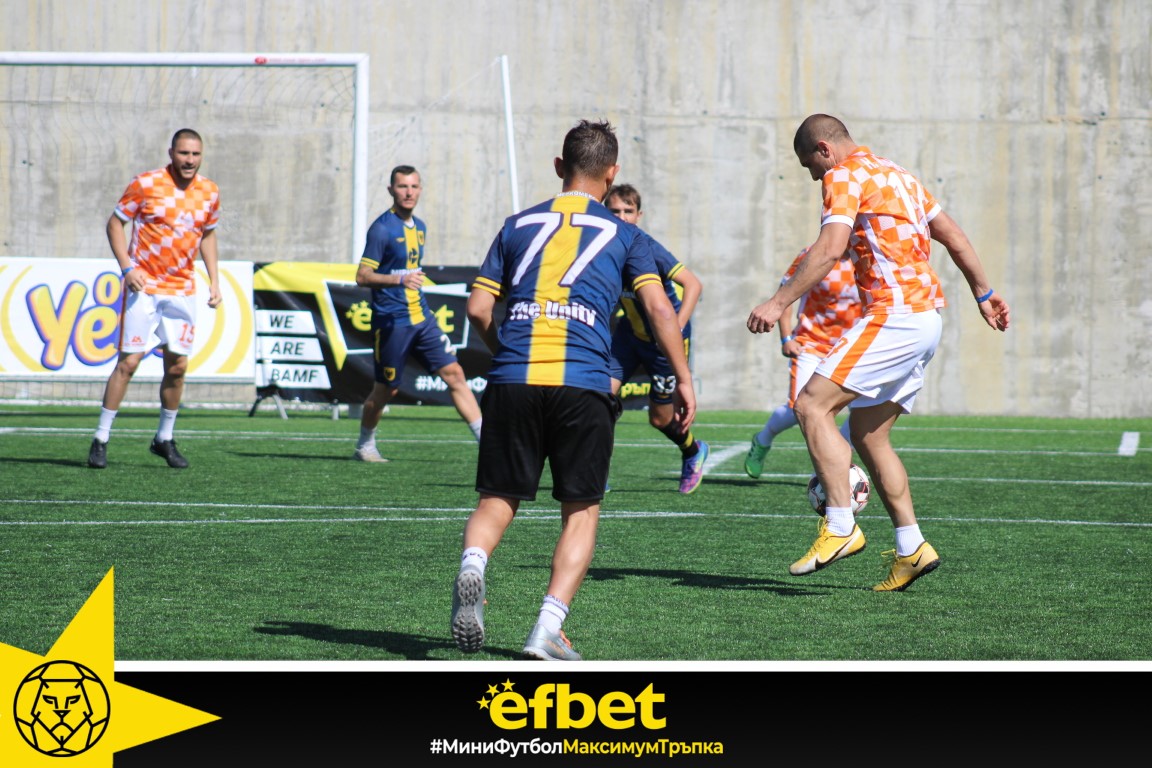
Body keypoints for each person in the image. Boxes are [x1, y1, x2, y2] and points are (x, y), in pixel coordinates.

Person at [451, 119, 697, 660]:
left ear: (559, 167)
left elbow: (478, 308)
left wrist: (508, 351)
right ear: (612, 175)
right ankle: (547, 628)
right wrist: (682, 377)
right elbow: (660, 308)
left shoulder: (516, 225)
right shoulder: (625, 234)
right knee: (581, 511)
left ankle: (473, 565)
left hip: (514, 377)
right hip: (584, 382)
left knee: (497, 499)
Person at [746, 114, 1011, 592]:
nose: (814, 178)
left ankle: (840, 524)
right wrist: (984, 292)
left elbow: (830, 249)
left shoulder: (843, 175)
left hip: (895, 315)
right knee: (869, 435)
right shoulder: (899, 175)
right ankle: (912, 548)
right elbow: (952, 235)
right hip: (927, 318)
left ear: (824, 150)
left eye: (811, 167)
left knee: (810, 406)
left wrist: (778, 302)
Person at [87, 128, 222, 470]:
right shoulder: (146, 184)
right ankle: (100, 438)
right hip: (144, 288)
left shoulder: (209, 191)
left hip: (182, 290)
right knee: (129, 363)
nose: (189, 160)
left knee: (177, 367)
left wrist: (214, 280)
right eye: (183, 153)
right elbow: (115, 224)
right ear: (171, 153)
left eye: (195, 154)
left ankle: (164, 438)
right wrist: (127, 268)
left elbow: (207, 235)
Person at [352, 165, 482, 462]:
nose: (408, 192)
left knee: (455, 374)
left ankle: (487, 443)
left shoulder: (420, 226)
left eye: (413, 186)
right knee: (387, 390)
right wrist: (399, 279)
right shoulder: (382, 229)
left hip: (421, 317)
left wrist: (407, 281)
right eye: (402, 186)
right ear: (391, 190)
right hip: (393, 321)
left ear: (420, 190)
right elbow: (362, 276)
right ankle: (365, 444)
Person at [604, 183, 708, 494]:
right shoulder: (601, 244)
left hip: (664, 344)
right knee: (598, 399)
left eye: (628, 211)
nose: (621, 217)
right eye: (614, 211)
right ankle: (594, 468)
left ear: (639, 215)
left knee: (661, 420)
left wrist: (676, 327)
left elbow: (693, 284)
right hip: (628, 336)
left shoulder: (647, 247)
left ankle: (693, 451)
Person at [744, 246, 861, 478]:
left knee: (862, 411)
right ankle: (763, 440)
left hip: (851, 348)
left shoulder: (868, 255)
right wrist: (786, 338)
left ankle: (835, 470)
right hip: (811, 344)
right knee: (799, 408)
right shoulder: (814, 254)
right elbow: (785, 295)